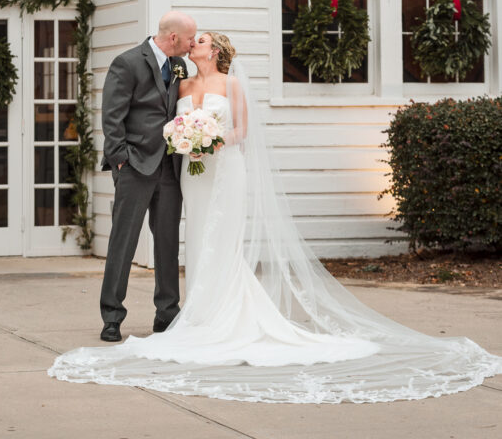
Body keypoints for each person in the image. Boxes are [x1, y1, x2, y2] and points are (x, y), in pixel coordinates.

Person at [51, 31, 502, 403]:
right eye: (191, 39)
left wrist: (211, 139)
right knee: (194, 239)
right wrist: (185, 141)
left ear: (218, 50)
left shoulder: (233, 84)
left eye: (201, 40)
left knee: (217, 239)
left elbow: (242, 130)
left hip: (222, 167)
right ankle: (167, 314)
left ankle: (193, 315)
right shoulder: (181, 83)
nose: (193, 45)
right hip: (190, 172)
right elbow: (156, 120)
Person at [97, 11, 196, 342]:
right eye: (189, 39)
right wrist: (120, 160)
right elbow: (112, 117)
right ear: (172, 39)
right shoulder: (127, 63)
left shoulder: (179, 66)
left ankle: (167, 314)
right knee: (123, 242)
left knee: (167, 243)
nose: (192, 43)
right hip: (135, 166)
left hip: (170, 168)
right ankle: (112, 316)